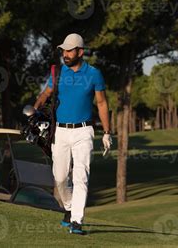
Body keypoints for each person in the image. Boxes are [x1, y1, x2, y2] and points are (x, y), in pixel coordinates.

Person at [33, 33, 112, 235]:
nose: (65, 54)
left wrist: (107, 132)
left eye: (69, 50)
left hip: (84, 131)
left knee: (80, 177)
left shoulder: (94, 74)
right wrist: (35, 111)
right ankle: (69, 208)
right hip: (60, 131)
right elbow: (46, 94)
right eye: (63, 51)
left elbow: (102, 103)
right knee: (59, 177)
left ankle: (77, 221)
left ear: (80, 52)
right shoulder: (58, 73)